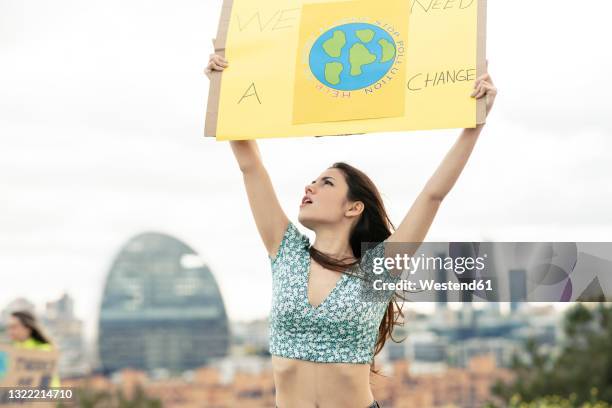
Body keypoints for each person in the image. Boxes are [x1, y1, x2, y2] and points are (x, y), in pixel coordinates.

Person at [206, 53, 497, 408]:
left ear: (353, 207)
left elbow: (432, 195)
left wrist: (475, 124)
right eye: (311, 181)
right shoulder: (286, 251)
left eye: (325, 183)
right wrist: (227, 88)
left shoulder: (378, 268)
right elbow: (250, 165)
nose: (309, 187)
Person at [7, 310, 61, 388]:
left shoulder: (44, 350)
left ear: (28, 328)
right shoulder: (11, 351)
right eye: (9, 327)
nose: (10, 331)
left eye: (14, 327)